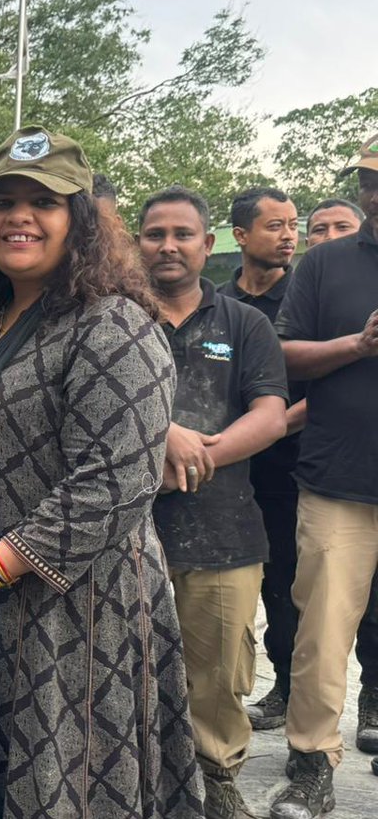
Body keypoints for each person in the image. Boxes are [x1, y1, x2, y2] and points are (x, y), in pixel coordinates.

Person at [0, 127, 202, 819]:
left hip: (67, 617)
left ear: (78, 222)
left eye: (43, 202)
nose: (18, 216)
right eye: (2, 202)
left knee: (54, 785)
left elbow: (112, 485)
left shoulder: (111, 324)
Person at [138, 185, 288, 818]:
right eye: (155, 235)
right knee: (127, 664)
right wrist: (157, 446)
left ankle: (217, 778)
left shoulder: (244, 323)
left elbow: (272, 414)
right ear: (136, 244)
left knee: (221, 668)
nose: (168, 246)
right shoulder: (110, 318)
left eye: (182, 235)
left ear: (208, 244)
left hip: (224, 528)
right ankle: (136, 776)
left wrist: (196, 457)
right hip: (123, 527)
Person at [269, 135, 378, 819]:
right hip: (340, 480)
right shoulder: (325, 264)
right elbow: (284, 356)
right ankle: (312, 764)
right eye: (368, 181)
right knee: (323, 631)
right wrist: (357, 346)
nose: (374, 193)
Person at [213, 188, 305, 734]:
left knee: (293, 583)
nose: (289, 235)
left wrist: (256, 432)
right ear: (240, 236)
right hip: (228, 472)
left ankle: (293, 687)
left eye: (293, 224)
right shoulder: (222, 306)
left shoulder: (304, 299)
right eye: (274, 226)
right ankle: (258, 686)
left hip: (291, 466)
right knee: (254, 586)